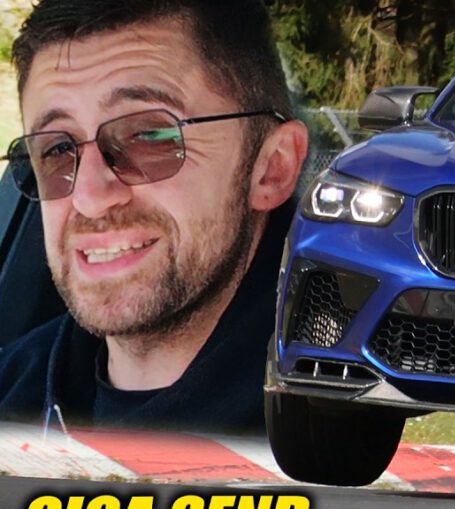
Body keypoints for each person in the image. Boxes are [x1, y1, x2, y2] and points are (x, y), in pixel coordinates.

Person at [0, 0, 308, 433]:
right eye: (57, 149)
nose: (89, 198)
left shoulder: (354, 432)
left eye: (148, 136)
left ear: (272, 168)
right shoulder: (13, 391)